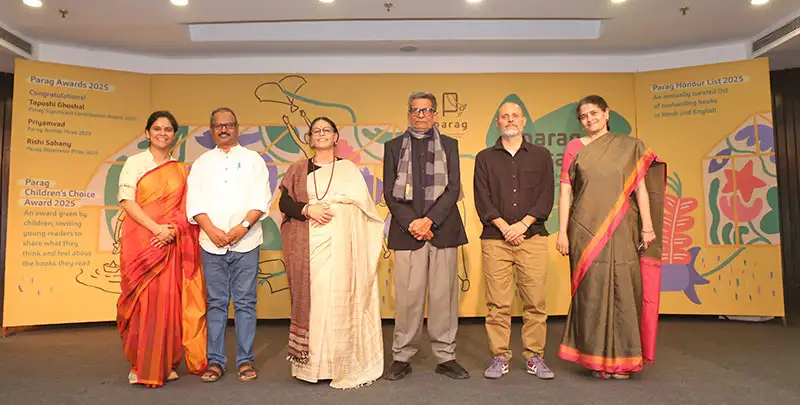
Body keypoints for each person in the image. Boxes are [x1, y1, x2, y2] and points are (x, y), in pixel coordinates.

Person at [556, 95, 666, 380]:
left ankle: (624, 360)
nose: (589, 119)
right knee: (592, 292)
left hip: (622, 228)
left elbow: (640, 188)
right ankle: (595, 359)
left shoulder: (629, 146)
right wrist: (562, 231)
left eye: (594, 113)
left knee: (623, 289)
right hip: (584, 230)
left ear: (607, 114)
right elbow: (566, 190)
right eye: (583, 116)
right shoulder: (575, 148)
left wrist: (648, 226)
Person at [279, 117, 385, 389]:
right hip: (310, 244)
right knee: (316, 299)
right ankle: (311, 367)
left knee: (339, 299)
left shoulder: (349, 169)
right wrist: (307, 209)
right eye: (317, 131)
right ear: (310, 138)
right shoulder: (299, 168)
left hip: (344, 248)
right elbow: (284, 203)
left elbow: (367, 211)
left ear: (336, 137)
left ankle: (340, 363)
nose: (322, 134)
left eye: (327, 130)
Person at [116, 110, 207, 388]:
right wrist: (156, 229)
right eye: (157, 128)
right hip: (142, 240)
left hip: (171, 242)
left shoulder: (180, 169)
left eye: (168, 129)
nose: (162, 133)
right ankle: (139, 364)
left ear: (174, 136)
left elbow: (185, 208)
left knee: (168, 302)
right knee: (141, 302)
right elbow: (126, 201)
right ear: (147, 133)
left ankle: (165, 363)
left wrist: (172, 231)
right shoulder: (134, 163)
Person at [382, 91, 469, 381]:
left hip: (443, 229)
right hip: (408, 233)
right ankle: (402, 356)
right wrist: (414, 224)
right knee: (408, 297)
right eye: (416, 110)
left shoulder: (450, 145)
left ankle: (446, 356)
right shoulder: (393, 147)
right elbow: (390, 194)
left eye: (426, 110)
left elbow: (453, 188)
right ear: (409, 114)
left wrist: (429, 220)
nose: (421, 115)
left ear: (435, 115)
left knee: (444, 296)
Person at [186, 107, 272, 383]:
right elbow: (194, 203)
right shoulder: (202, 163)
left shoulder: (253, 160)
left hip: (246, 242)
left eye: (229, 125)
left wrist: (241, 227)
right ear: (211, 130)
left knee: (246, 303)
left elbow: (261, 199)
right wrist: (211, 230)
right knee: (216, 304)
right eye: (218, 126)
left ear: (237, 127)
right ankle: (215, 361)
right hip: (211, 244)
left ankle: (245, 360)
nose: (224, 129)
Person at [473, 102, 556, 380]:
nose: (510, 120)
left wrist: (522, 225)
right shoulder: (484, 158)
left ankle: (535, 357)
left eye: (515, 115)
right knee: (498, 303)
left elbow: (546, 195)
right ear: (498, 122)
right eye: (504, 116)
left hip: (532, 237)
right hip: (495, 239)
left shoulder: (542, 156)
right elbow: (482, 198)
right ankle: (500, 356)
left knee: (535, 302)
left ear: (524, 120)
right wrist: (505, 227)